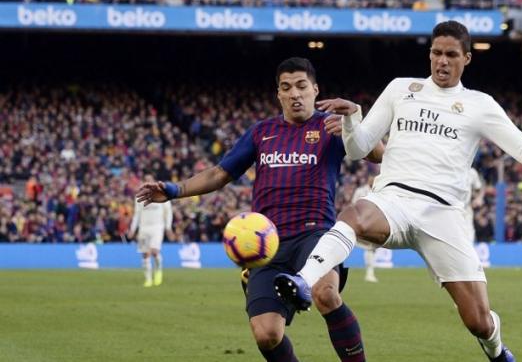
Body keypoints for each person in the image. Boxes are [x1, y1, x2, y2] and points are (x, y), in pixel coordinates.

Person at [274, 21, 522, 362]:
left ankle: (496, 351)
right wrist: (352, 118)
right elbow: (358, 149)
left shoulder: (480, 105)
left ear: (467, 59)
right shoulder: (401, 89)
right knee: (354, 213)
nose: (441, 61)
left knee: (478, 321)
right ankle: (301, 282)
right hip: (394, 201)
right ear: (429, 54)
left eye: (450, 55)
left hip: (444, 215)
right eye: (436, 53)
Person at [135, 57, 383, 362]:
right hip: (268, 244)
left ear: (315, 90)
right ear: (278, 94)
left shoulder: (330, 127)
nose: (294, 93)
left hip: (316, 235)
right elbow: (220, 173)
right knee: (267, 335)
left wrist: (353, 123)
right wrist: (175, 190)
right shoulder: (261, 133)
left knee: (326, 295)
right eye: (286, 87)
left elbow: (378, 154)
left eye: (301, 86)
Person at [129, 173, 173, 287]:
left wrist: (168, 227)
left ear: (153, 181)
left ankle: (158, 271)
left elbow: (168, 212)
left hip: (157, 227)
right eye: (146, 179)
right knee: (145, 254)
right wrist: (132, 229)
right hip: (144, 228)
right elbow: (136, 214)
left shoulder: (161, 194)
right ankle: (148, 279)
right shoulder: (139, 196)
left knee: (154, 252)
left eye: (150, 179)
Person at [351, 176, 380, 282]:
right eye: (371, 179)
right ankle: (369, 273)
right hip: (360, 223)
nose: (372, 181)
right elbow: (354, 205)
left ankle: (370, 273)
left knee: (371, 248)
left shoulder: (379, 190)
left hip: (373, 223)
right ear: (368, 180)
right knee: (369, 247)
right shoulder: (360, 191)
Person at [465, 167, 485, 243]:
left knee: (469, 234)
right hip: (450, 208)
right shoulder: (451, 169)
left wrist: (479, 198)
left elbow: (479, 188)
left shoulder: (472, 172)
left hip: (466, 208)